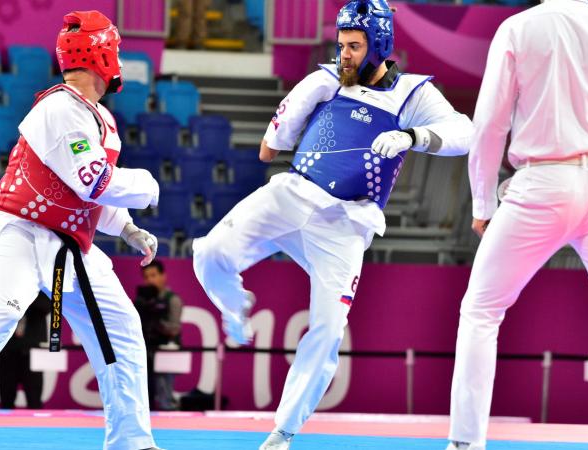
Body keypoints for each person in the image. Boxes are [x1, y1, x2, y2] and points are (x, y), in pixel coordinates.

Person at [192, 1, 473, 448]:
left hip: (345, 224)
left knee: (327, 329)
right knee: (207, 251)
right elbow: (269, 149)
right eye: (341, 44)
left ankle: (282, 433)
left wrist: (411, 137)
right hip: (293, 194)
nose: (344, 54)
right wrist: (297, 110)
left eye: (355, 46)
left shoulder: (413, 94)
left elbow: (465, 133)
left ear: (380, 45)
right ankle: (234, 307)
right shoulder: (325, 78)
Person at [0, 10, 165, 450]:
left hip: (71, 243)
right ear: (101, 56)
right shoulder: (60, 108)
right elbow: (93, 181)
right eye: (113, 49)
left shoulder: (101, 121)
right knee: (7, 308)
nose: (116, 56)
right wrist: (147, 186)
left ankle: (132, 441)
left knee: (122, 327)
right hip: (21, 228)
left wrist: (129, 229)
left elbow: (92, 195)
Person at [446, 0, 588, 449]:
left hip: (543, 183)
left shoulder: (517, 29)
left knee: (481, 312)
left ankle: (465, 443)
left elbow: (491, 123)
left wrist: (482, 202)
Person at [134, 260, 183, 411]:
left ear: (163, 276)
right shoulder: (142, 299)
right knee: (142, 391)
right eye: (147, 277)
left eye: (154, 275)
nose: (150, 280)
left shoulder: (173, 300)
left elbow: (174, 328)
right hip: (145, 349)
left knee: (164, 396)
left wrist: (156, 322)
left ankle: (169, 427)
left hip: (165, 351)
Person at [0, 292, 51, 409]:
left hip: (32, 354)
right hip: (7, 353)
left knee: (34, 400)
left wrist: (23, 296)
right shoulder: (4, 287)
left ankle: (35, 427)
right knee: (6, 401)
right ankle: (4, 427)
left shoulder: (41, 290)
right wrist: (10, 296)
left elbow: (49, 306)